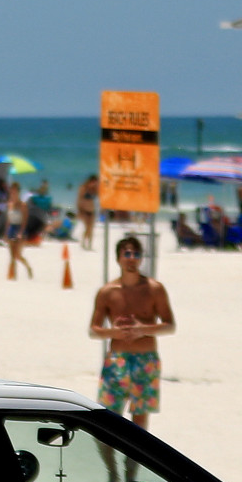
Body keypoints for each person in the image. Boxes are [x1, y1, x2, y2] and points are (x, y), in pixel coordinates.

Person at [90, 235, 176, 433]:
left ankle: (132, 464)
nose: (131, 258)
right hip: (117, 360)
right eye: (127, 253)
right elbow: (94, 329)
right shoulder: (107, 292)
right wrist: (115, 333)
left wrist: (142, 330)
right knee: (109, 418)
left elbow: (169, 325)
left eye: (136, 254)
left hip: (145, 360)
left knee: (140, 420)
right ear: (118, 258)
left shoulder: (154, 289)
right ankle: (110, 463)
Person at [76, 174, 101, 250]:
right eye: (94, 182)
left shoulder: (95, 190)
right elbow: (79, 199)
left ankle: (89, 244)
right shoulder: (83, 188)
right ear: (90, 181)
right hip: (84, 210)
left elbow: (101, 196)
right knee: (87, 228)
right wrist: (79, 211)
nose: (94, 184)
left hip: (91, 210)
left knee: (91, 228)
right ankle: (84, 242)